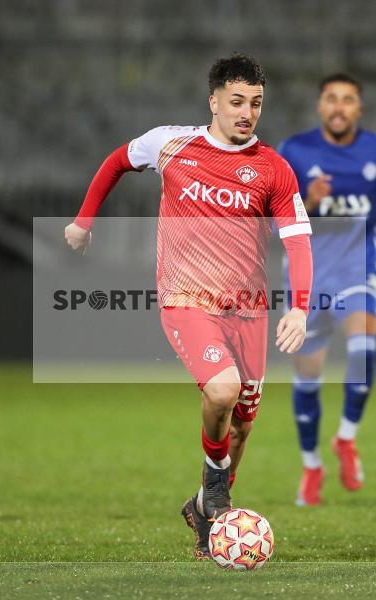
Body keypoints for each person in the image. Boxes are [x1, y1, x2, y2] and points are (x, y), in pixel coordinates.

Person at [64, 54, 313, 560]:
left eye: (257, 104)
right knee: (223, 391)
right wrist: (83, 221)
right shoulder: (171, 143)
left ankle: (204, 509)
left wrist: (300, 308)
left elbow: (299, 240)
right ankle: (217, 498)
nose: (247, 112)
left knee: (243, 421)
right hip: (186, 299)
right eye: (237, 101)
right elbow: (116, 161)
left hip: (248, 309)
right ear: (214, 101)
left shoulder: (274, 169)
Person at [278, 73, 376, 506]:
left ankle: (346, 438)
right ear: (319, 107)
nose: (339, 107)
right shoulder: (294, 151)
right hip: (307, 279)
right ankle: (311, 466)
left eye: (348, 100)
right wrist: (305, 202)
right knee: (308, 376)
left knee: (363, 349)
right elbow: (271, 216)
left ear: (359, 109)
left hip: (357, 268)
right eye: (331, 99)